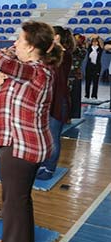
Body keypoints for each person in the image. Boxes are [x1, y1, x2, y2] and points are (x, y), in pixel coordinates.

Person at [0, 21, 62, 242]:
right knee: (16, 197)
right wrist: (3, 83)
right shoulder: (34, 69)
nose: (15, 43)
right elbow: (15, 89)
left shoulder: (36, 70)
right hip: (19, 141)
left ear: (31, 47)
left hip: (22, 145)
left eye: (19, 40)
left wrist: (9, 51)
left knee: (14, 199)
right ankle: (16, 240)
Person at [37, 26, 74, 180]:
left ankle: (50, 168)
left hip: (59, 101)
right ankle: (44, 164)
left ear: (57, 37)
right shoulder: (52, 54)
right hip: (50, 100)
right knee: (45, 135)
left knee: (53, 136)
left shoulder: (64, 54)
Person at [68, 33, 85, 118]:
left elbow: (76, 50)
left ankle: (72, 116)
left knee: (75, 98)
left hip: (75, 76)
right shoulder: (68, 49)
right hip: (67, 75)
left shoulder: (82, 50)